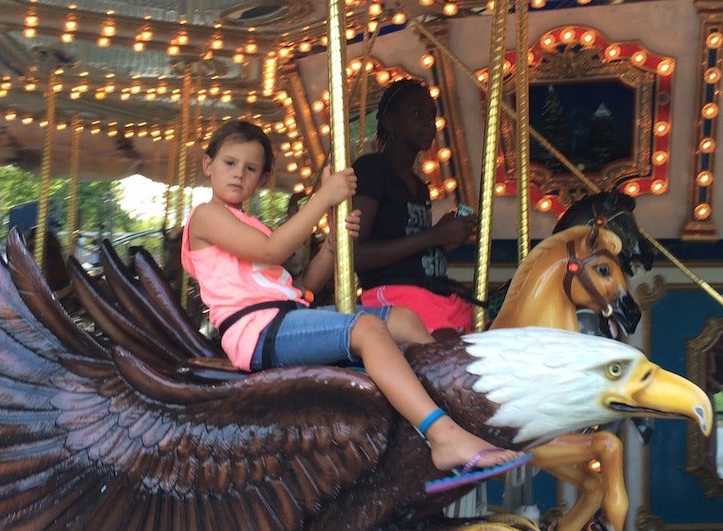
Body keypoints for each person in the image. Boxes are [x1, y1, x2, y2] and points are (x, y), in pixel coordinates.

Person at [182, 120, 527, 492]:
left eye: (250, 168)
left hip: (286, 317)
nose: (238, 175)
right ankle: (442, 435)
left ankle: (461, 405)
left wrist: (332, 245)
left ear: (263, 179)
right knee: (367, 330)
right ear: (208, 165)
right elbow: (273, 251)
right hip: (256, 331)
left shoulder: (250, 224)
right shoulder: (206, 216)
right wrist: (322, 198)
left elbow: (303, 288)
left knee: (403, 319)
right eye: (229, 163)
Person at [352, 78, 479, 335]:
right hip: (393, 295)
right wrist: (434, 235)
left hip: (430, 290)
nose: (428, 123)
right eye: (418, 114)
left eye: (432, 115)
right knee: (452, 353)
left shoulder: (420, 187)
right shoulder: (373, 169)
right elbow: (356, 255)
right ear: (391, 121)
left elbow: (413, 244)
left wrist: (442, 243)